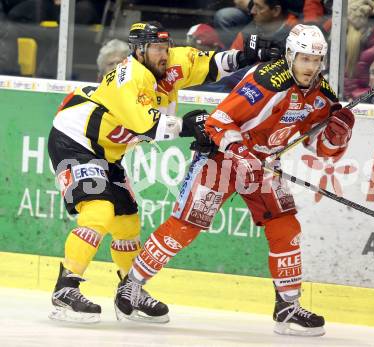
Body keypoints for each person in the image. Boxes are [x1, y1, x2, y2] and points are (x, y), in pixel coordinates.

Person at [117, 24, 356, 337]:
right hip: (222, 158)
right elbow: (219, 121)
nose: (309, 67)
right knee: (186, 226)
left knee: (286, 226)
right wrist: (243, 156)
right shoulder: (267, 81)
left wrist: (338, 132)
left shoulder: (323, 97)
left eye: (315, 60)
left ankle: (287, 306)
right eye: (303, 59)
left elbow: (323, 150)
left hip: (264, 165)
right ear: (290, 56)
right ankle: (131, 288)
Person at [48, 21, 268, 324]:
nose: (164, 54)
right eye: (156, 48)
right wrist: (191, 127)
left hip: (108, 152)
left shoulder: (172, 62)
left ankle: (130, 291)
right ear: (139, 51)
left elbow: (211, 64)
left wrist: (247, 57)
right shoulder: (129, 78)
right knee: (99, 210)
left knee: (127, 222)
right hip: (73, 140)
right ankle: (65, 289)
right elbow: (148, 126)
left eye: (165, 47)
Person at [230, 0, 297, 52]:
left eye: (259, 7)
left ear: (276, 10)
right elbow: (229, 63)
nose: (252, 11)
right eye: (253, 4)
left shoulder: (298, 33)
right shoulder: (246, 34)